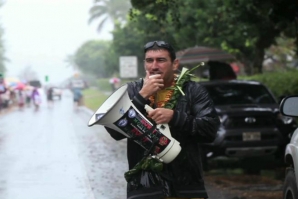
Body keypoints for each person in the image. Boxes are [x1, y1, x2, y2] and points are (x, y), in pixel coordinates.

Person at [104, 41, 220, 199]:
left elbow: (210, 130)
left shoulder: (192, 90)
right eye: (149, 60)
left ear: (175, 64)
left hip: (186, 185)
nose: (154, 66)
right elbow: (114, 132)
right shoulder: (132, 90)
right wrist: (141, 97)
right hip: (144, 187)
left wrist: (175, 117)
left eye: (161, 60)